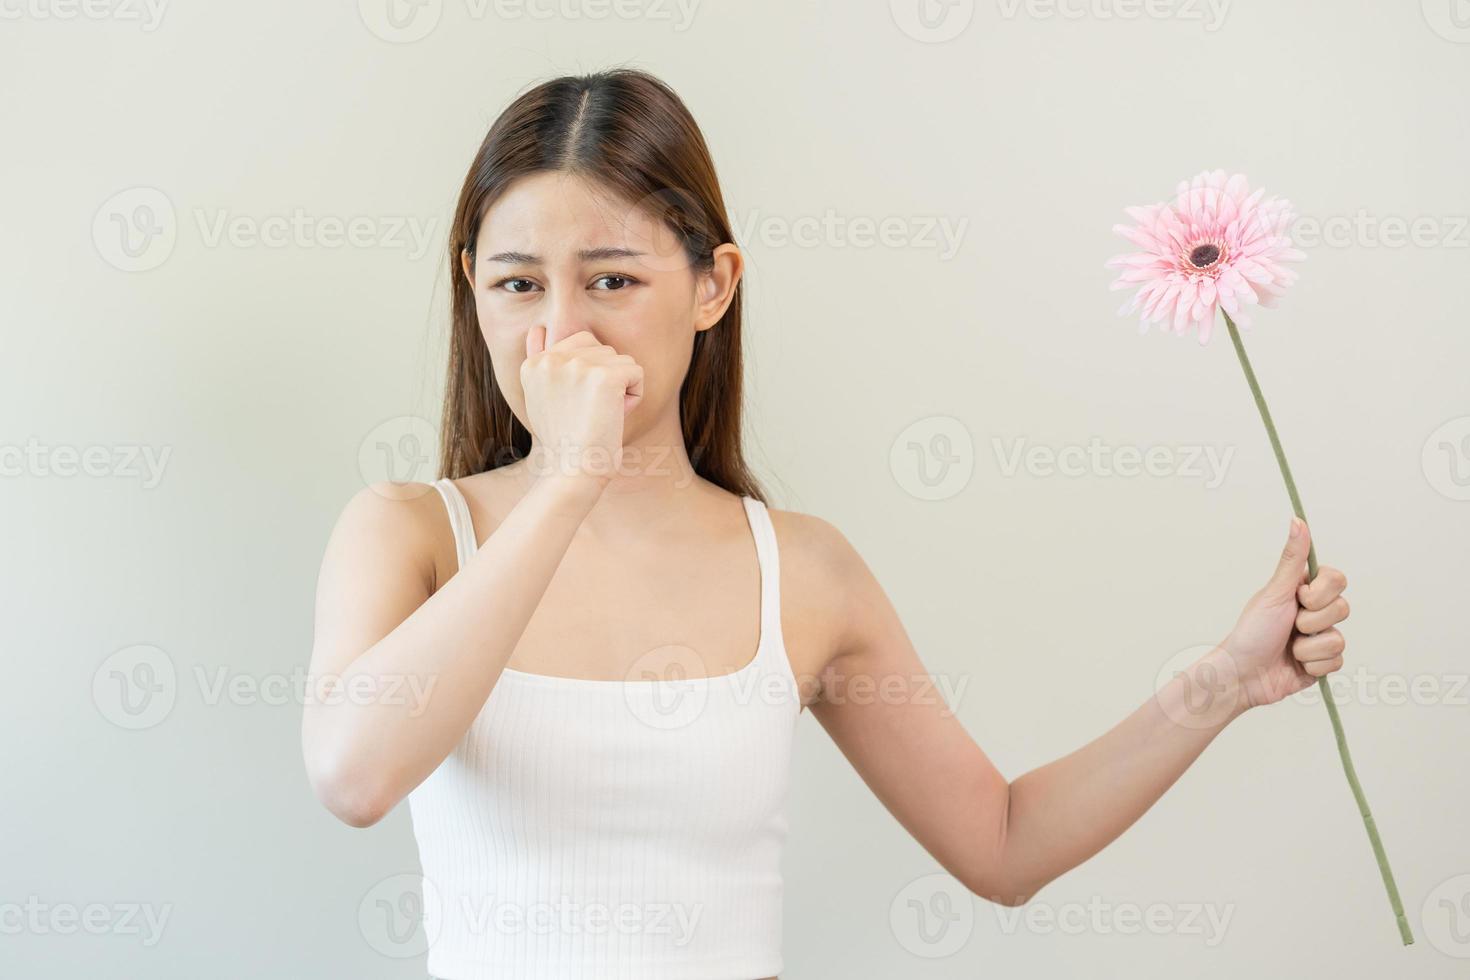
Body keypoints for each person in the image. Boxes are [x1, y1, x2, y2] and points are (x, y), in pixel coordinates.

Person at [300, 67, 1350, 980]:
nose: (560, 331)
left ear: (714, 286)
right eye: (517, 284)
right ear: (472, 296)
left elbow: (1002, 842)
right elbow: (355, 773)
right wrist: (569, 479)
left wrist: (1223, 682)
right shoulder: (408, 533)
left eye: (612, 278)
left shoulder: (801, 569)